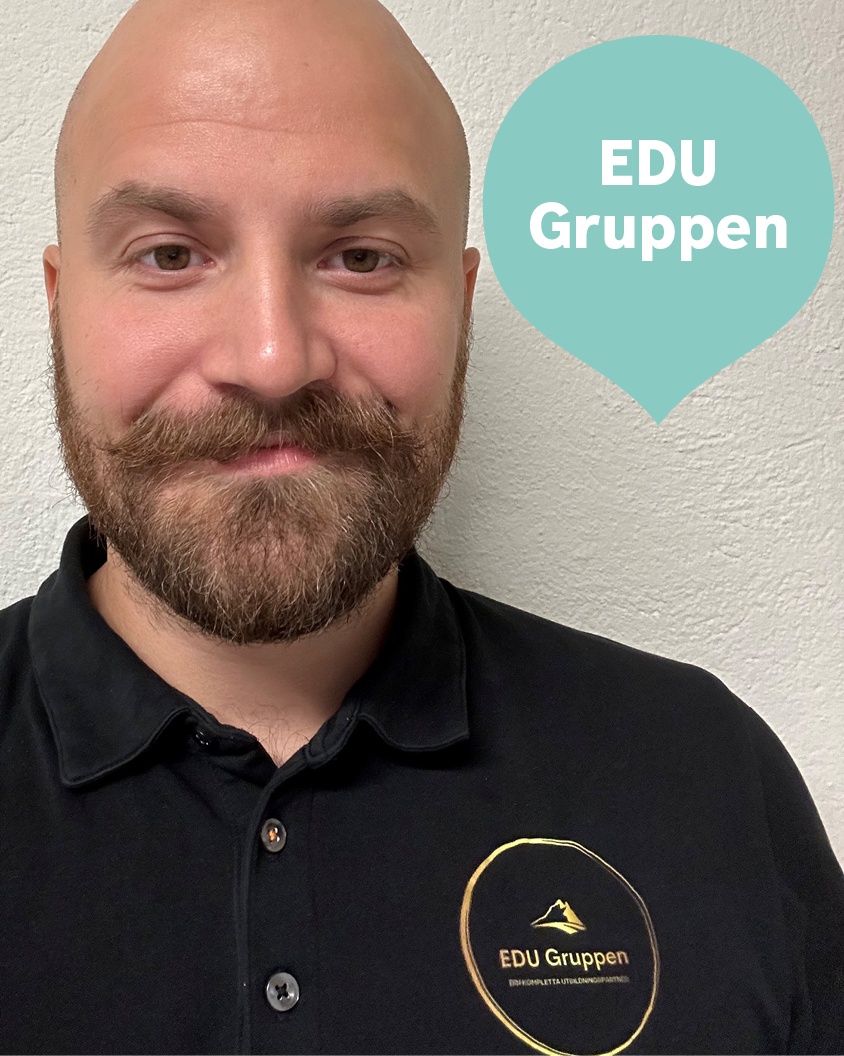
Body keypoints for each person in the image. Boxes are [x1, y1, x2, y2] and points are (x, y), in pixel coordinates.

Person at [0, 0, 841, 1053]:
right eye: (169, 254)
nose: (273, 360)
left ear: (461, 305)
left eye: (362, 258)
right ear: (60, 303)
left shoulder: (705, 778)